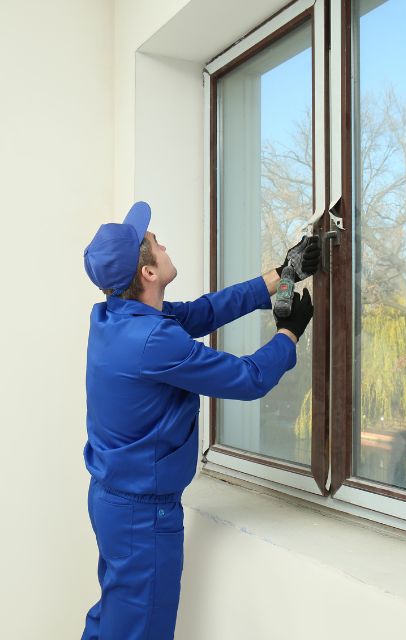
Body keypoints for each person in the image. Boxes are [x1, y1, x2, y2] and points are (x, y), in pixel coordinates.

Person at [81, 202, 319, 640]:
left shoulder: (116, 317)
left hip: (114, 503)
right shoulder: (153, 340)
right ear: (148, 273)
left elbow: (207, 311)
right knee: (141, 632)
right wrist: (289, 333)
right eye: (154, 242)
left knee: (113, 622)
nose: (163, 242)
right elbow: (247, 379)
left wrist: (283, 273)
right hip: (142, 517)